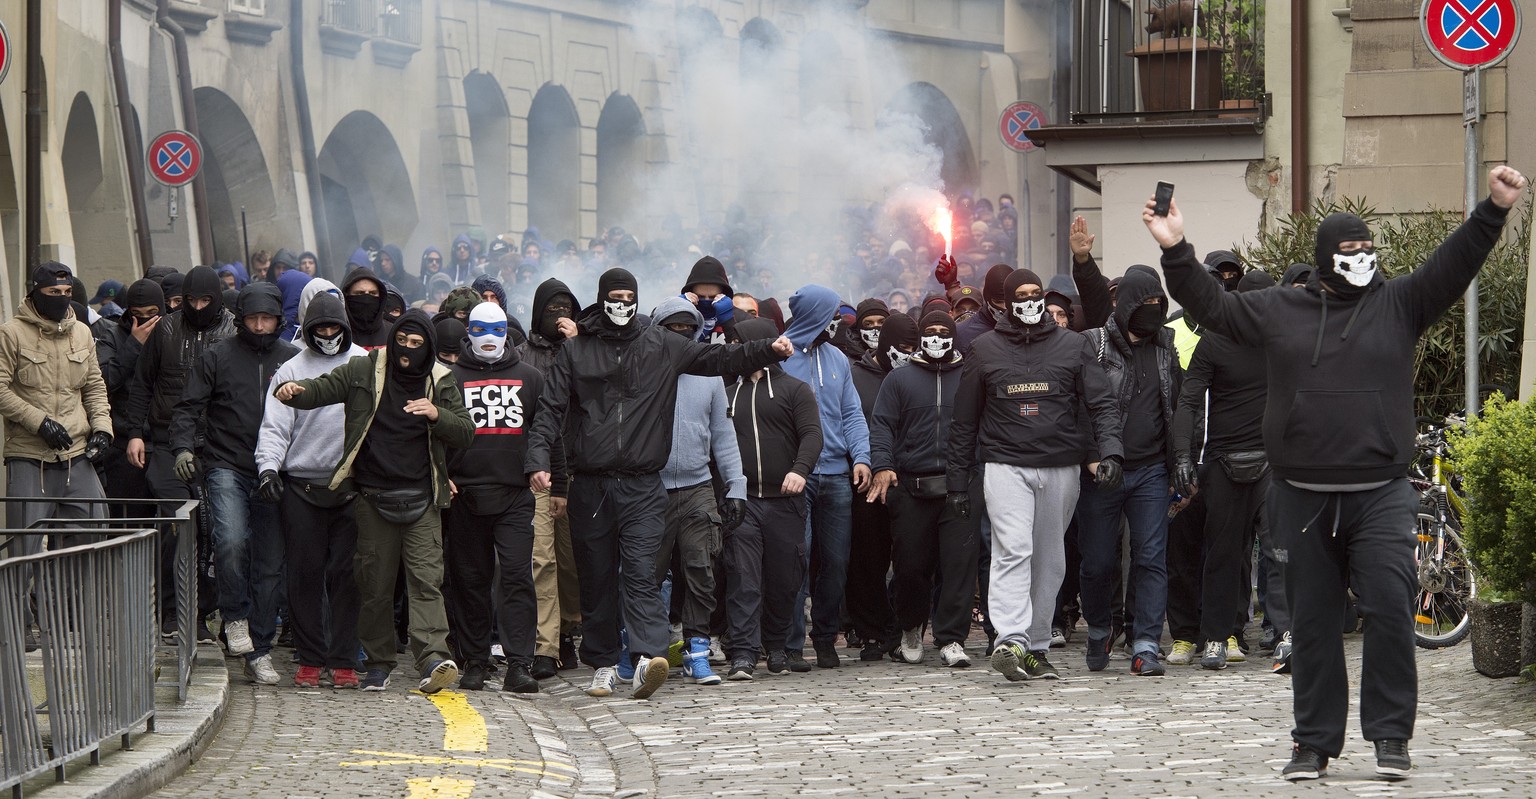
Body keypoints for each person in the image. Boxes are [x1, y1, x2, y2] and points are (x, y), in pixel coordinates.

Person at [1142, 164, 1528, 782]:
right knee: (1313, 625)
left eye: (1369, 250)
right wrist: (1176, 249)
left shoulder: (1401, 304)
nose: (1362, 259)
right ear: (1324, 258)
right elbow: (1212, 305)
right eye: (1349, 252)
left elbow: (1453, 265)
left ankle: (1390, 737)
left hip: (1381, 492)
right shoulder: (1277, 310)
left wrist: (1494, 209)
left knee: (1390, 610)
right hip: (1300, 493)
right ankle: (1313, 742)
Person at [523, 268, 792, 700]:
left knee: (643, 574)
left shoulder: (660, 344)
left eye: (629, 295)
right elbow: (550, 411)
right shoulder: (576, 351)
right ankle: (605, 663)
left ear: (637, 299)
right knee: (596, 578)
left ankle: (648, 656)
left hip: (645, 484)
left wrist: (766, 350)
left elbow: (717, 359)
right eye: (614, 295)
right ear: (601, 298)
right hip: (590, 485)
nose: (621, 303)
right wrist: (540, 461)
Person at [274, 309, 476, 694]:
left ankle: (432, 658)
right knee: (375, 586)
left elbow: (466, 431)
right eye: (403, 341)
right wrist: (294, 392)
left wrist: (437, 414)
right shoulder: (364, 368)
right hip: (372, 497)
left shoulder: (441, 379)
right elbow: (324, 388)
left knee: (425, 582)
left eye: (417, 345)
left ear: (428, 347)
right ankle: (379, 664)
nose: (407, 350)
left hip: (422, 500)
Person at [947, 268, 1120, 681]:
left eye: (1035, 293)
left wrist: (1111, 450)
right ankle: (1010, 637)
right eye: (1020, 295)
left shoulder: (1073, 344)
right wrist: (957, 483)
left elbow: (1100, 403)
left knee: (1049, 559)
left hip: (1061, 466)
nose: (1028, 300)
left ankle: (1036, 645)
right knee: (1012, 549)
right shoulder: (984, 349)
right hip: (1005, 465)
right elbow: (963, 421)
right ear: (1005, 302)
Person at [171, 282, 298, 685]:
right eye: (253, 318)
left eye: (268, 319)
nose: (261, 326)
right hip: (227, 462)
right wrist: (182, 449)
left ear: (279, 320)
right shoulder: (218, 356)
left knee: (269, 563)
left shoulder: (293, 360)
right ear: (240, 319)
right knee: (230, 541)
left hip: (277, 469)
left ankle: (259, 649)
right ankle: (235, 616)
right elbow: (189, 407)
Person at [443, 302, 558, 693]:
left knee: (516, 578)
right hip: (464, 495)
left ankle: (519, 663)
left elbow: (546, 429)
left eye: (496, 329)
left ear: (508, 332)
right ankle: (475, 659)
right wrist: (443, 475)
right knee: (470, 580)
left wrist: (555, 481)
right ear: (468, 331)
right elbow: (432, 434)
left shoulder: (530, 377)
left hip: (515, 495)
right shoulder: (450, 378)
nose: (488, 338)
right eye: (479, 329)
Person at [255, 292, 368, 689]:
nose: (327, 334)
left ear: (345, 327)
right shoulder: (290, 370)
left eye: (334, 327)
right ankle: (309, 658)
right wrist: (268, 470)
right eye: (319, 328)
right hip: (301, 487)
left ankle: (343, 659)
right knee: (303, 575)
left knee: (348, 576)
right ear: (308, 329)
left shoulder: (365, 364)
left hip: (352, 488)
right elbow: (274, 428)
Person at [0, 262, 115, 648]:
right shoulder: (11, 334)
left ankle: (63, 617)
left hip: (76, 454)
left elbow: (95, 386)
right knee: (24, 547)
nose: (62, 300)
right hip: (29, 454)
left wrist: (102, 429)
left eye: (67, 293)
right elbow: (0, 389)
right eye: (54, 294)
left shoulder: (82, 332)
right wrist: (38, 422)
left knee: (93, 532)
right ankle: (18, 626)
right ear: (35, 293)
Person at [1076, 268, 1183, 678]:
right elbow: (1079, 407)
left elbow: (1178, 410)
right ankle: (1100, 628)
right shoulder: (1094, 345)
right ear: (1124, 306)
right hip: (1103, 471)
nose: (1153, 313)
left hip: (1152, 471)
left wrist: (1181, 462)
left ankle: (1145, 644)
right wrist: (1092, 457)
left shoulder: (1165, 351)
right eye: (1145, 305)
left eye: (1159, 305)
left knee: (1152, 557)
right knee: (1098, 562)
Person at [1170, 270, 1276, 672]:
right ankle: (1214, 637)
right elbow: (1189, 402)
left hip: (1275, 461)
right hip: (1223, 460)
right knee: (1222, 553)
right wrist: (1183, 455)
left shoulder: (1286, 341)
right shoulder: (1214, 341)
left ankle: (1287, 633)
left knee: (1280, 549)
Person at [127, 265, 237, 643]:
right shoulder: (166, 330)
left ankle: (203, 612)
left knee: (213, 531)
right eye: (192, 300)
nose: (199, 306)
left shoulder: (232, 331)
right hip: (164, 441)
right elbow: (143, 383)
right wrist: (134, 434)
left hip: (218, 445)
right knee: (175, 525)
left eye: (206, 300)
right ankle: (172, 611)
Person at [867, 310, 977, 667]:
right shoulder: (899, 380)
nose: (936, 338)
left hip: (959, 486)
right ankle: (911, 628)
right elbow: (882, 425)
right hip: (911, 487)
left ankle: (951, 639)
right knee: (911, 567)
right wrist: (883, 465)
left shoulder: (971, 375)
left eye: (943, 332)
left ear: (954, 336)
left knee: (959, 566)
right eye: (929, 332)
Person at [652, 296, 747, 685]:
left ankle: (696, 649)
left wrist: (736, 486)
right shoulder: (642, 371)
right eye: (671, 330)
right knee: (646, 575)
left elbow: (723, 437)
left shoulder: (710, 377)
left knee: (701, 569)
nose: (680, 337)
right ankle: (641, 649)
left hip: (697, 485)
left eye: (687, 330)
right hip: (649, 488)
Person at [721, 317, 823, 678]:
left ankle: (777, 645)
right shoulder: (726, 392)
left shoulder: (796, 390)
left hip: (786, 501)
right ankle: (745, 653)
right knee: (743, 579)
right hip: (742, 502)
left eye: (739, 341)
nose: (734, 347)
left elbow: (812, 434)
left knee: (785, 578)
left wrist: (800, 469)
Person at [778, 285, 872, 671]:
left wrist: (862, 457)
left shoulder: (838, 358)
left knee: (836, 561)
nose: (837, 322)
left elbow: (851, 414)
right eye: (831, 314)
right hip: (795, 477)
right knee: (796, 562)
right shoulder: (779, 357)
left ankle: (825, 639)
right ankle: (791, 644)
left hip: (836, 475)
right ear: (814, 315)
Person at [518, 278, 581, 677]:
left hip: (580, 468)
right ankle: (546, 644)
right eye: (551, 308)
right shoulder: (520, 356)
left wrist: (578, 345)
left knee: (573, 562)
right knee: (542, 559)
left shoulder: (584, 351)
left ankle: (571, 630)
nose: (558, 316)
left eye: (566, 308)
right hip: (539, 471)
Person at [844, 312, 916, 661]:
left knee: (909, 561)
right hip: (866, 483)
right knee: (867, 560)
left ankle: (900, 626)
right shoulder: (856, 377)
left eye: (913, 348)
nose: (908, 354)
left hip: (909, 481)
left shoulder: (917, 375)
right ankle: (870, 631)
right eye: (902, 348)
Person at [342, 267, 391, 349]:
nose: (366, 298)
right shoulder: (337, 333)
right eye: (360, 293)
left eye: (373, 293)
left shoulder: (392, 332)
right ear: (347, 297)